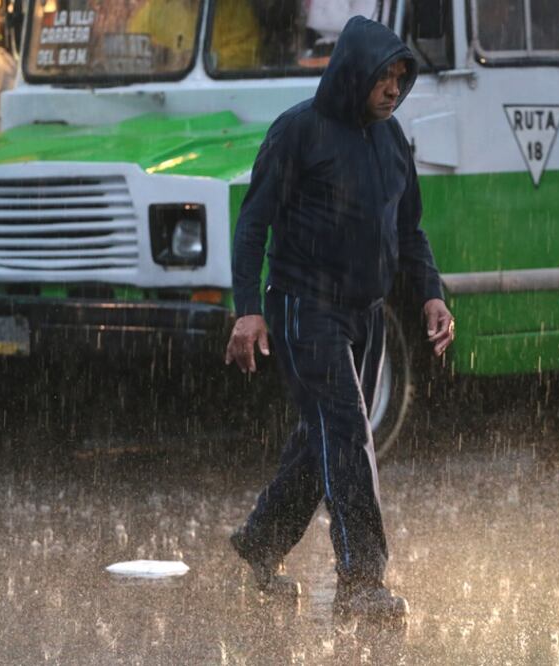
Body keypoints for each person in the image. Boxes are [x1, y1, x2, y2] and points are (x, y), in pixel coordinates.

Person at [225, 15, 454, 621]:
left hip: (366, 313)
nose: (394, 89)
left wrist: (430, 294)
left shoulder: (392, 139)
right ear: (355, 72)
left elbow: (409, 230)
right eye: (384, 77)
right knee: (349, 433)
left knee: (323, 438)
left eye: (401, 78)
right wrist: (248, 311)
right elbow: (252, 225)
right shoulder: (298, 131)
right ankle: (361, 582)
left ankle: (260, 543)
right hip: (305, 307)